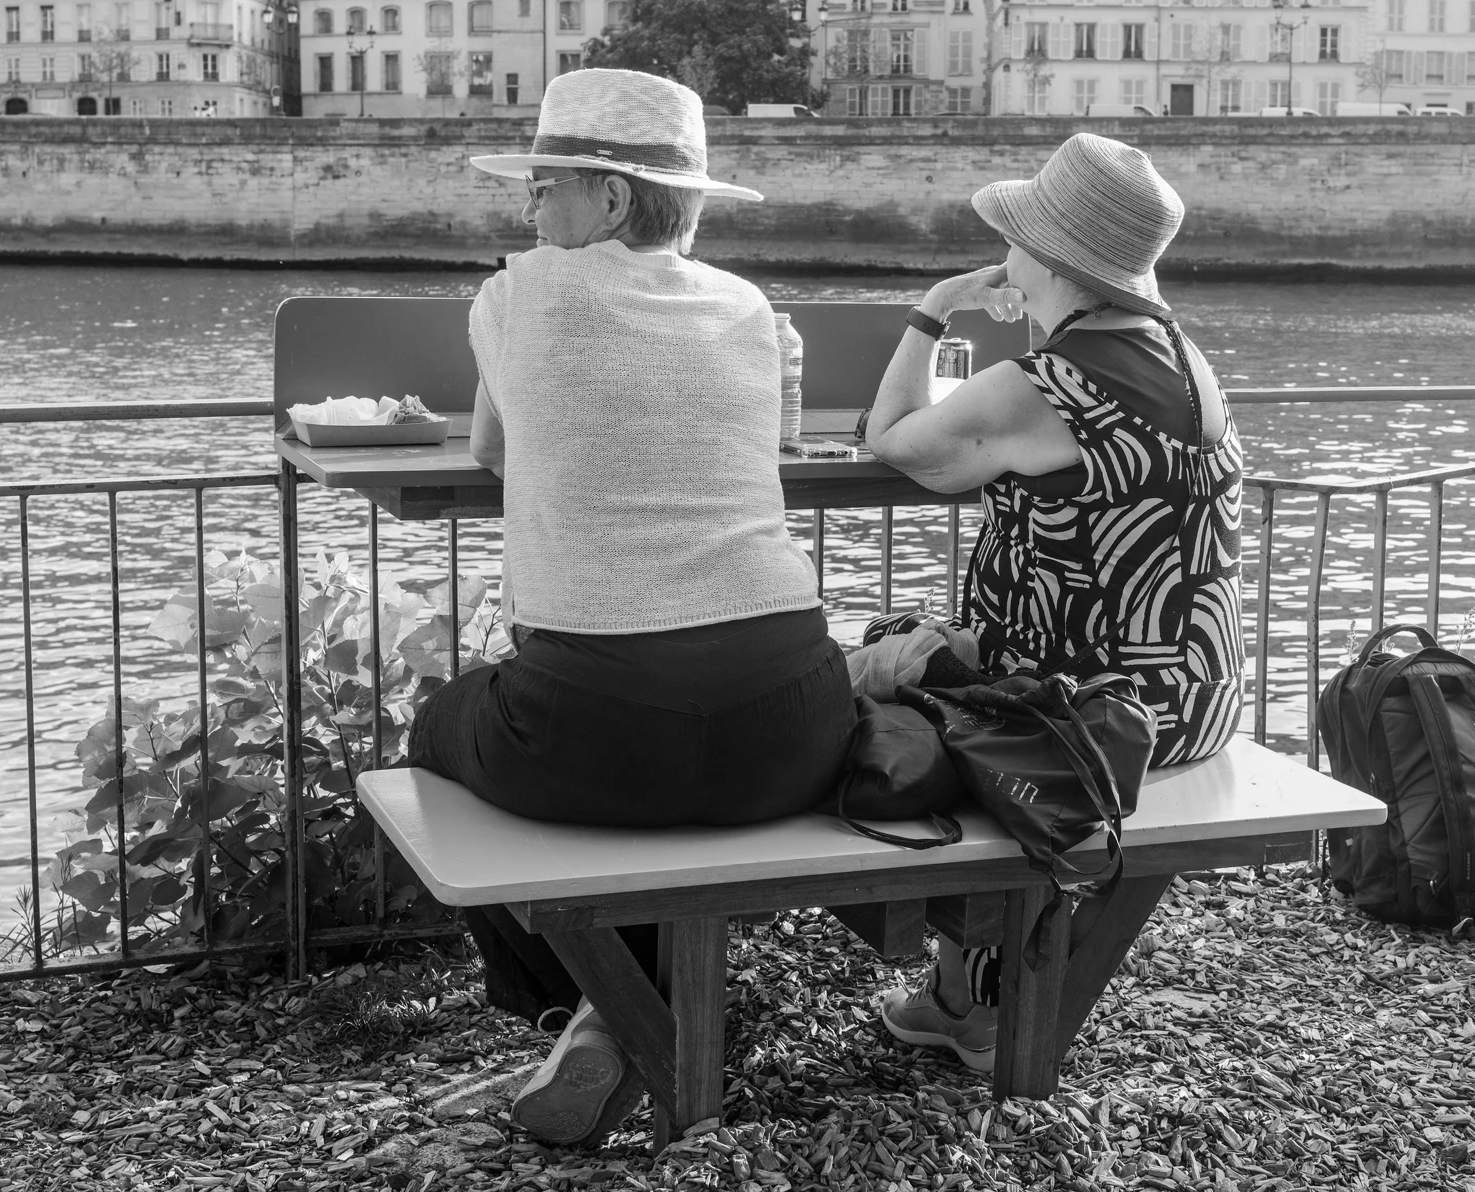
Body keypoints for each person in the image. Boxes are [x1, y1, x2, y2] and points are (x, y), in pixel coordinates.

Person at [404, 68, 853, 1145]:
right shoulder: (749, 307)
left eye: (544, 186)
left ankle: (579, 1007)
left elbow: (490, 452)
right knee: (660, 767)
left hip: (595, 726)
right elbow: (765, 446)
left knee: (435, 733)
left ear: (608, 199)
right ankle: (617, 1013)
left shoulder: (518, 291)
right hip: (795, 719)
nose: (527, 211)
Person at [856, 132, 1245, 1073]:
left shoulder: (1042, 386)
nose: (1007, 261)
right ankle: (973, 986)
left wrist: (934, 310)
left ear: (1057, 260)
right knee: (930, 653)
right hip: (1192, 700)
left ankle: (961, 984)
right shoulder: (1188, 362)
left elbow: (891, 438)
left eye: (1018, 241)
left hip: (1084, 717)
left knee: (859, 678)